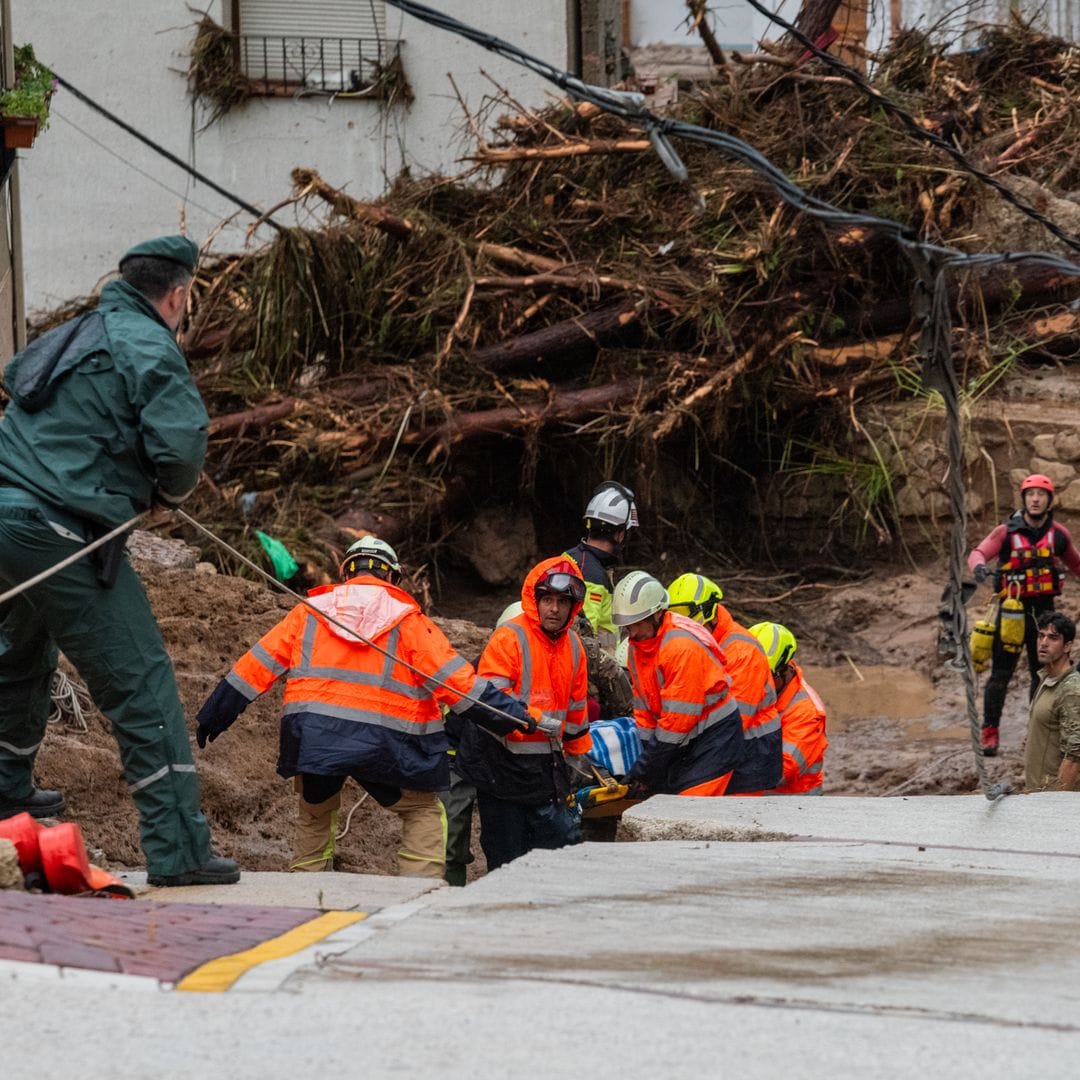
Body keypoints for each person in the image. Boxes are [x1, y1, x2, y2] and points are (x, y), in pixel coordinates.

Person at [0, 235, 239, 887]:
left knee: (19, 655)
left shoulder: (74, 333)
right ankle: (180, 851)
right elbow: (184, 445)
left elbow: (25, 394)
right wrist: (166, 489)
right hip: (61, 528)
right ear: (178, 293)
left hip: (4, 515)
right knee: (143, 684)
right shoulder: (150, 342)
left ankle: (5, 793)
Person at [195, 535, 535, 877]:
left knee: (315, 812)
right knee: (422, 812)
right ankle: (419, 896)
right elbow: (457, 683)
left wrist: (216, 714)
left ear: (347, 573)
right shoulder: (409, 620)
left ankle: (307, 888)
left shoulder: (308, 613)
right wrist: (512, 716)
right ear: (392, 576)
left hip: (316, 737)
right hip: (390, 742)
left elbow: (255, 666)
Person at [454, 557, 591, 871]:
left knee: (556, 852)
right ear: (535, 600)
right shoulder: (509, 638)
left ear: (574, 606)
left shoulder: (574, 646)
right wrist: (535, 718)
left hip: (546, 769)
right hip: (500, 767)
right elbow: (490, 701)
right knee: (507, 859)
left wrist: (578, 754)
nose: (553, 609)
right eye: (547, 600)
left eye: (561, 602)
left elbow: (577, 709)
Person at [968, 473, 1080, 756]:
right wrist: (980, 567)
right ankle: (989, 731)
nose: (1035, 499)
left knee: (1040, 674)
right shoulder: (1006, 532)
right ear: (1023, 499)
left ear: (1049, 500)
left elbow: (1077, 565)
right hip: (1011, 613)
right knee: (1001, 674)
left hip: (1044, 615)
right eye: (1030, 494)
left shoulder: (1058, 535)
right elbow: (978, 553)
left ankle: (1036, 732)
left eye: (1041, 495)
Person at [613, 571, 746, 797]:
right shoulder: (638, 647)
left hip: (715, 739)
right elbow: (644, 709)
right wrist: (646, 764)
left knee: (689, 808)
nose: (631, 632)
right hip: (684, 739)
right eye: (627, 625)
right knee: (665, 799)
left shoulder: (680, 647)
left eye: (636, 624)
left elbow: (677, 721)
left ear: (657, 615)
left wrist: (645, 769)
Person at [666, 572, 782, 794]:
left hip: (748, 762)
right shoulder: (693, 644)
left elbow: (735, 722)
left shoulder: (741, 652)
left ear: (710, 614)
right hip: (718, 750)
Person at [441, 599, 523, 887]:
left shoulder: (539, 667)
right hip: (457, 758)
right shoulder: (477, 673)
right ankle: (450, 894)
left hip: (504, 762)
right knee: (451, 841)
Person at [749, 622, 828, 796]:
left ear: (785, 670)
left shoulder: (807, 712)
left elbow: (781, 771)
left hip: (795, 810)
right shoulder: (756, 689)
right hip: (755, 803)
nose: (756, 682)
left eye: (765, 677)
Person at [1024, 611, 1080, 792]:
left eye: (1053, 638)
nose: (1044, 643)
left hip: (1052, 802)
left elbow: (1074, 757)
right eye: (1041, 636)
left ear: (1067, 646)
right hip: (1036, 796)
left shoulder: (1071, 689)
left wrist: (1056, 806)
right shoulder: (1046, 679)